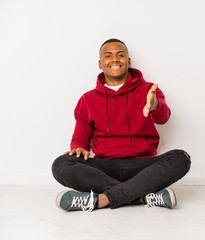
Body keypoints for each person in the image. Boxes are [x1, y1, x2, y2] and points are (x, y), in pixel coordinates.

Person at [51, 38, 191, 212]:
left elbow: (163, 118)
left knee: (181, 158)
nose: (115, 60)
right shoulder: (87, 99)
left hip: (142, 166)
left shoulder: (148, 90)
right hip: (104, 169)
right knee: (60, 164)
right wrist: (79, 148)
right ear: (100, 63)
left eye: (120, 55)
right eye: (108, 56)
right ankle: (141, 196)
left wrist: (154, 105)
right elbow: (80, 138)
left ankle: (101, 200)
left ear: (129, 61)